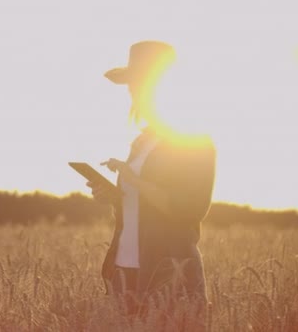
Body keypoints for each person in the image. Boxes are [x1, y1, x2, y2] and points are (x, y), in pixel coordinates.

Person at [87, 41, 216, 327]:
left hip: (169, 272)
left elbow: (192, 208)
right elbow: (138, 208)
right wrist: (114, 196)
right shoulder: (142, 143)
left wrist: (135, 181)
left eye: (137, 84)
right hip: (125, 269)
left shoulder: (194, 140)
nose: (132, 92)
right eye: (131, 86)